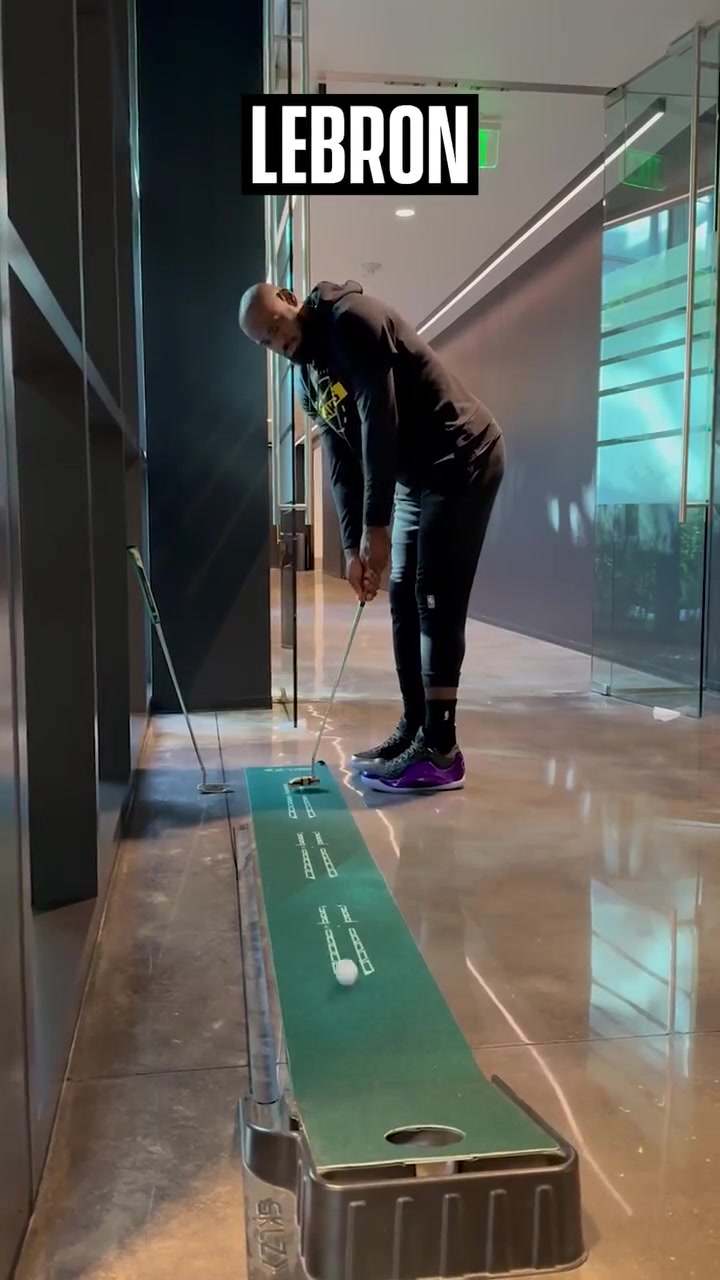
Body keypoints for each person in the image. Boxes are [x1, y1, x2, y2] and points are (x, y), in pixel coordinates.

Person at [239, 279, 505, 794]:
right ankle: (416, 727)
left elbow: (378, 418)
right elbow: (342, 461)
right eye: (265, 341)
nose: (277, 341)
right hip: (417, 477)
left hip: (462, 455)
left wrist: (375, 526)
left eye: (275, 325)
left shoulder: (351, 321)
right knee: (401, 595)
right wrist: (351, 546)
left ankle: (442, 751)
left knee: (433, 593)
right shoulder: (307, 379)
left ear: (290, 300)